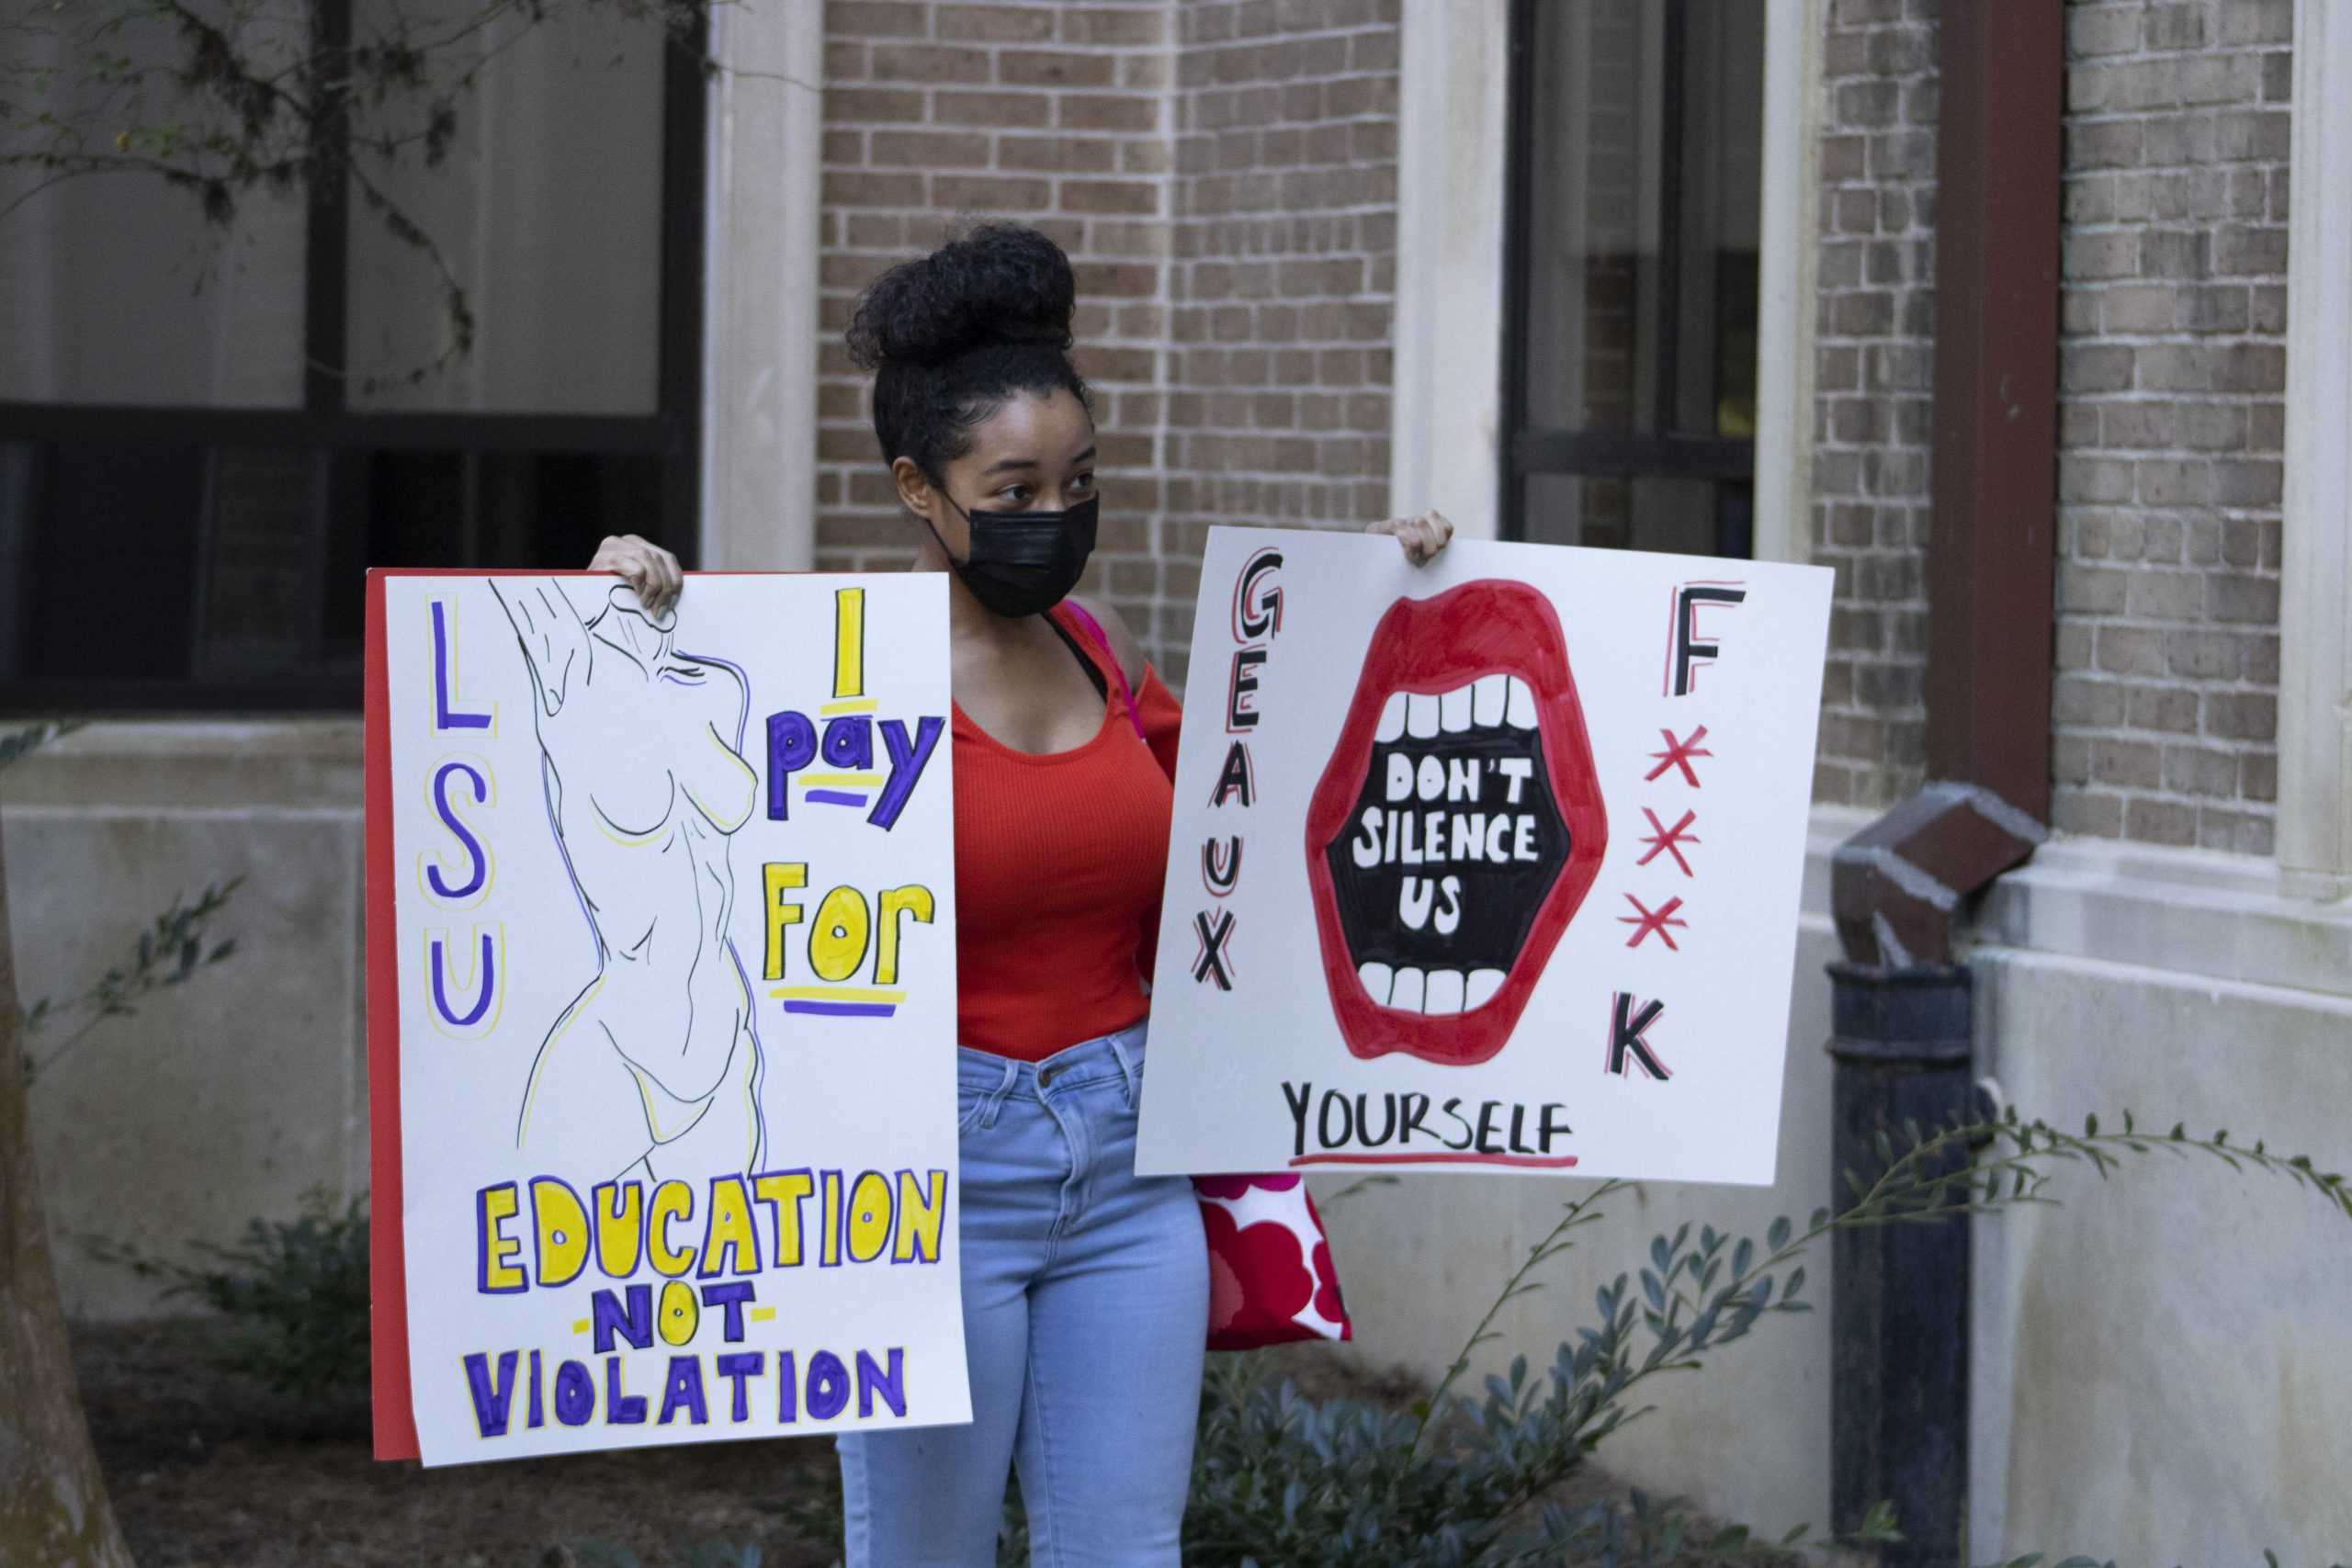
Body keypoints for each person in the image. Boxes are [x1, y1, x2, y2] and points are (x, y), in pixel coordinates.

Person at [589, 221, 1451, 1567]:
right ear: (919, 491)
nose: (1055, 518)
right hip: (926, 1183)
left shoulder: (1107, 661)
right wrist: (615, 621)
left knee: (1124, 1551)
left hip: (1129, 1169)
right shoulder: (828, 685)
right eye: (1015, 487)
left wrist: (1397, 596)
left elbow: (1271, 805)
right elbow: (638, 824)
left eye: (1078, 481)